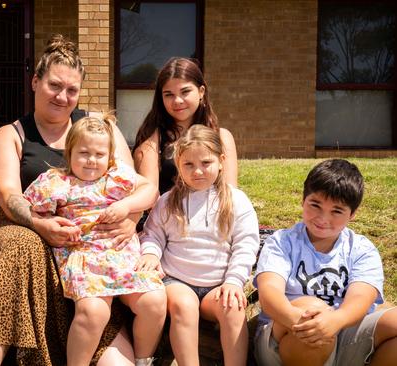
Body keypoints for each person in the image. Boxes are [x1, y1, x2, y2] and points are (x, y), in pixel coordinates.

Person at [0, 34, 143, 366]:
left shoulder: (100, 128)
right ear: (35, 82)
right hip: (27, 230)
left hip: (90, 249)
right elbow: (7, 195)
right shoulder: (12, 134)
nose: (63, 97)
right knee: (18, 243)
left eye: (72, 90)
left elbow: (129, 185)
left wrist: (129, 220)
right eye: (54, 86)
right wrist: (39, 224)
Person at [23, 113, 166, 366]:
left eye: (99, 155)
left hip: (123, 256)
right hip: (85, 258)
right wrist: (45, 223)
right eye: (84, 153)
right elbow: (27, 205)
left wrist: (126, 206)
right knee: (94, 311)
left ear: (110, 157)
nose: (91, 160)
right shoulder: (57, 181)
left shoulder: (117, 177)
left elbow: (150, 191)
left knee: (154, 301)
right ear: (70, 153)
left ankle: (143, 360)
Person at [254, 159, 397, 366]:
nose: (323, 218)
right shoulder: (282, 242)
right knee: (310, 309)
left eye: (336, 211)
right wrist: (307, 323)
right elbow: (270, 294)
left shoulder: (361, 248)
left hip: (342, 333)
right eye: (315, 205)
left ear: (353, 214)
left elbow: (361, 297)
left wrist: (334, 321)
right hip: (284, 336)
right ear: (303, 201)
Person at [139, 124, 259, 366]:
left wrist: (234, 280)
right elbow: (153, 234)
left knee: (233, 308)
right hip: (177, 280)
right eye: (189, 165)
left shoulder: (236, 200)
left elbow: (246, 244)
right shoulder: (169, 201)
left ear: (221, 160)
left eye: (206, 163)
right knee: (184, 306)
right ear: (178, 165)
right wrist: (151, 253)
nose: (198, 172)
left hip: (217, 285)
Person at [132, 57, 238, 194]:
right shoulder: (152, 137)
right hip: (165, 214)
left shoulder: (222, 136)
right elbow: (149, 196)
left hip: (214, 213)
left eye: (185, 92)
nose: (177, 101)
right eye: (169, 94)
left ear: (201, 92)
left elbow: (230, 193)